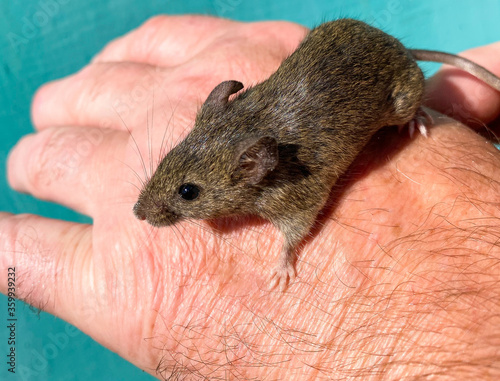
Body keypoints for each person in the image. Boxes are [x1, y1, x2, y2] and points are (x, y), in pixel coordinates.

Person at [2, 15, 500, 379]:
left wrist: (287, 251)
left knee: (398, 105)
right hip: (337, 48)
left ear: (253, 169)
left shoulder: (280, 182)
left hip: (390, 80)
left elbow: (303, 204)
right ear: (216, 106)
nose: (151, 211)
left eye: (187, 194)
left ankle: (409, 113)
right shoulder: (228, 131)